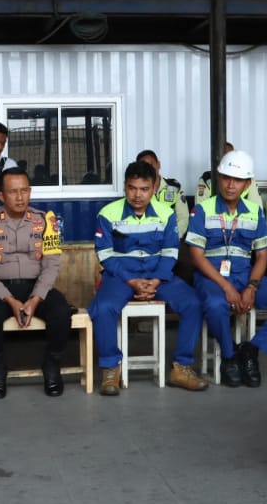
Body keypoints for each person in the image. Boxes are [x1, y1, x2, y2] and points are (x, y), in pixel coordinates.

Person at [90, 160, 210, 395]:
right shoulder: (108, 214)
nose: (137, 195)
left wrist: (156, 280)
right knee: (102, 307)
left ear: (154, 188)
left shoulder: (166, 214)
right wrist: (131, 280)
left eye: (144, 189)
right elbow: (105, 255)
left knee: (193, 303)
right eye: (132, 188)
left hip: (159, 275)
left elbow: (170, 252)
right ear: (125, 187)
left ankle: (181, 367)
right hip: (121, 276)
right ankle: (110, 369)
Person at [186, 150, 267, 388]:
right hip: (211, 278)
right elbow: (197, 256)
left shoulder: (254, 211)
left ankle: (251, 350)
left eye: (238, 180)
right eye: (227, 178)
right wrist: (227, 287)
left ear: (247, 184)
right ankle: (229, 356)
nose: (231, 185)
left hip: (245, 276)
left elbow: (261, 255)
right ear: (219, 178)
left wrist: (251, 286)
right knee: (215, 304)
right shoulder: (202, 210)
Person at [0, 167, 72, 398]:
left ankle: (51, 365)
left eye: (24, 190)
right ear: (1, 196)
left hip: (35, 286)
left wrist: (35, 299)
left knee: (61, 311)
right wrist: (11, 300)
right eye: (13, 192)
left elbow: (52, 265)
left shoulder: (46, 221)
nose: (20, 197)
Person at [137, 149, 188, 241]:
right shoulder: (137, 191)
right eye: (144, 166)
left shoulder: (174, 187)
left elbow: (183, 217)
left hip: (172, 238)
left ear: (158, 164)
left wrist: (172, 237)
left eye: (151, 165)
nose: (148, 169)